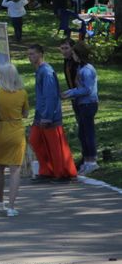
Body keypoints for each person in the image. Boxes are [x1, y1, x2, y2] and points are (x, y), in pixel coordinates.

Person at [27, 44, 77, 181]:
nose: (30, 57)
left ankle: (62, 173)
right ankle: (47, 170)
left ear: (40, 54)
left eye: (33, 54)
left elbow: (51, 96)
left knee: (55, 145)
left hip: (49, 115)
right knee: (35, 140)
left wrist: (48, 116)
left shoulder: (47, 72)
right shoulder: (40, 71)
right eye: (29, 54)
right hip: (41, 113)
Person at [0, 63, 29, 216]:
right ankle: (11, 207)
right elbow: (26, 113)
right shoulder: (22, 93)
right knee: (15, 170)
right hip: (16, 131)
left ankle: (0, 199)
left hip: (0, 131)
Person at [62, 42, 99, 175]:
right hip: (81, 103)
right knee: (82, 133)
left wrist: (71, 93)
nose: (73, 56)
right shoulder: (80, 69)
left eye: (74, 54)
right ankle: (87, 160)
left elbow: (87, 89)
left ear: (79, 55)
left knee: (88, 133)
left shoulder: (87, 70)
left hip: (88, 104)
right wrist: (71, 92)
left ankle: (92, 161)